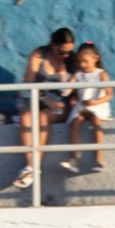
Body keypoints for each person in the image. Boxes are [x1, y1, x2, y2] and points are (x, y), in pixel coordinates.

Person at [13, 27, 77, 191]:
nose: (66, 56)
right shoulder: (39, 55)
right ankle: (31, 167)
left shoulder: (72, 60)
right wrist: (44, 98)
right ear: (53, 45)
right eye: (62, 52)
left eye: (69, 52)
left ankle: (33, 166)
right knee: (26, 118)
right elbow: (28, 82)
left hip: (62, 104)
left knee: (42, 118)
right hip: (40, 100)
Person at [62, 41, 112, 174]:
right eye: (79, 62)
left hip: (98, 106)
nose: (82, 65)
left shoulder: (101, 74)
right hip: (82, 105)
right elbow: (68, 88)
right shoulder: (78, 74)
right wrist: (65, 89)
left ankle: (99, 158)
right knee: (75, 123)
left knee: (96, 123)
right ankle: (74, 158)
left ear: (95, 58)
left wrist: (96, 102)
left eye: (85, 61)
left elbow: (109, 95)